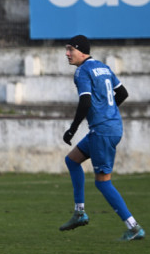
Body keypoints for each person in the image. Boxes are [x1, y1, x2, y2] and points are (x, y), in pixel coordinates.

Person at [58, 35, 144, 240]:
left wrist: (72, 129)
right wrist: (108, 110)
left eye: (70, 49)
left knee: (103, 182)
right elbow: (122, 93)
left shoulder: (82, 71)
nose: (67, 54)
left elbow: (85, 102)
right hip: (109, 128)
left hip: (103, 131)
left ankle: (134, 228)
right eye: (66, 49)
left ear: (81, 51)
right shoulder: (103, 67)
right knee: (72, 160)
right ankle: (79, 212)